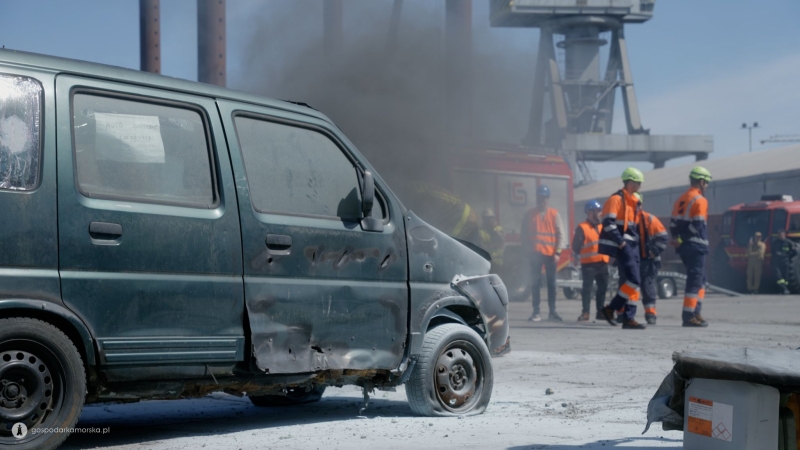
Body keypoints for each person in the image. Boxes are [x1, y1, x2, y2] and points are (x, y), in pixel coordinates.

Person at [598, 167, 646, 330]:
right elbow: (608, 223)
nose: (640, 186)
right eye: (638, 183)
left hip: (632, 246)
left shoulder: (631, 201)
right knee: (634, 280)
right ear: (631, 182)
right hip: (625, 247)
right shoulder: (616, 199)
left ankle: (628, 318)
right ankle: (611, 309)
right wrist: (621, 243)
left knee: (630, 281)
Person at [670, 166, 712, 327]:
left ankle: (696, 311)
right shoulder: (700, 200)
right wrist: (681, 239)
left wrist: (676, 238)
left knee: (701, 280)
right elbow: (697, 225)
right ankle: (689, 316)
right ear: (701, 181)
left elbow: (672, 223)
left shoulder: (680, 199)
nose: (706, 186)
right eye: (706, 182)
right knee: (695, 281)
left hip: (684, 247)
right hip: (696, 246)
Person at [521, 185, 566, 322]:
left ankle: (552, 311)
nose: (542, 200)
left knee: (551, 284)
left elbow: (561, 235)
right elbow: (523, 235)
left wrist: (558, 253)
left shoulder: (554, 214)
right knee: (535, 283)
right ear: (537, 198)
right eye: (540, 197)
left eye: (545, 198)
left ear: (548, 199)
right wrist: (528, 249)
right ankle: (536, 312)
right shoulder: (529, 214)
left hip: (550, 255)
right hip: (535, 254)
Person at [634, 192, 669, 325]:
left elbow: (663, 237)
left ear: (641, 204)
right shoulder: (624, 220)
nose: (636, 207)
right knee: (628, 287)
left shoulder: (649, 219)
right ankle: (624, 314)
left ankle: (650, 314)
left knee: (647, 286)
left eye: (638, 204)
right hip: (632, 260)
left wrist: (654, 251)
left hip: (648, 261)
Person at [572, 199, 610, 321]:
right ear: (590, 212)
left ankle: (600, 312)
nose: (600, 213)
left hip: (602, 263)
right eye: (597, 211)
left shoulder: (603, 227)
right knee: (587, 289)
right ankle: (585, 313)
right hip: (589, 264)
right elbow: (575, 247)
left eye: (600, 210)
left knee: (603, 288)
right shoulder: (582, 228)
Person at [771, 229, 797, 295]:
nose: (780, 236)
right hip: (777, 263)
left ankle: (784, 289)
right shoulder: (775, 242)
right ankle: (783, 289)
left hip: (785, 262)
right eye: (779, 235)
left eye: (781, 234)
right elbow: (773, 251)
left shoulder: (789, 243)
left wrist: (788, 257)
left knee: (786, 278)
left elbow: (795, 252)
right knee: (778, 277)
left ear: (784, 234)